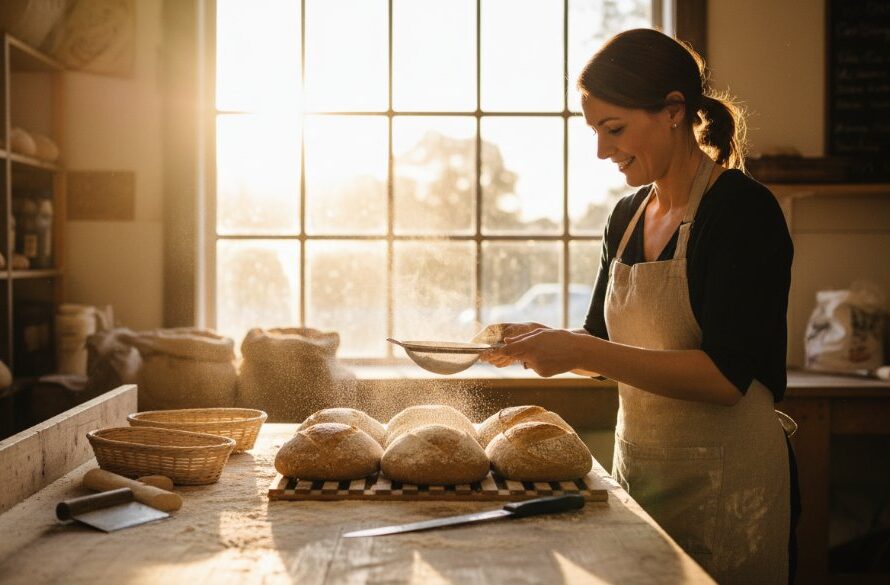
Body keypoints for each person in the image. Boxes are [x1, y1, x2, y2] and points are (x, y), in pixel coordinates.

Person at [482, 28, 798, 584]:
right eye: (596, 132)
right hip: (644, 474)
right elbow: (599, 344)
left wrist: (583, 349)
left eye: (615, 129)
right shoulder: (626, 216)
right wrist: (542, 340)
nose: (603, 150)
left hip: (730, 485)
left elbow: (725, 378)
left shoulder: (742, 211)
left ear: (674, 111)